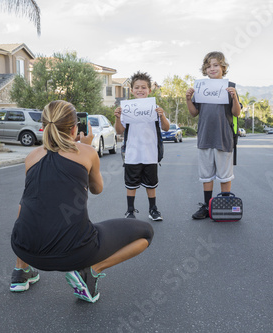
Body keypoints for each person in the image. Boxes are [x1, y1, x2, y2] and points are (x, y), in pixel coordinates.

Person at [9, 100, 154, 303]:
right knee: (146, 233)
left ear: (44, 126)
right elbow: (97, 189)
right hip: (74, 253)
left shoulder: (32, 157)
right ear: (74, 128)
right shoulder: (86, 152)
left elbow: (27, 204)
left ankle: (20, 272)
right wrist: (85, 148)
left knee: (28, 203)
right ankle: (91, 272)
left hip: (24, 247)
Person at [186, 51, 242, 219]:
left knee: (224, 175)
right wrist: (188, 99)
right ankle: (207, 206)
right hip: (204, 137)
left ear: (223, 68)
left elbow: (236, 113)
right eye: (208, 66)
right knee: (206, 175)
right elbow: (194, 113)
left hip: (224, 137)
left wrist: (234, 97)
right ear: (205, 69)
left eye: (216, 65)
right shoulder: (201, 88)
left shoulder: (229, 87)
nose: (212, 68)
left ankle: (224, 205)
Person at [114, 71, 170, 221]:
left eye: (143, 87)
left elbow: (166, 128)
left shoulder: (155, 107)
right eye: (137, 87)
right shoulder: (127, 108)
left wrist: (162, 115)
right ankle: (130, 211)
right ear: (131, 90)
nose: (140, 90)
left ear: (149, 90)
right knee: (131, 185)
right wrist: (118, 118)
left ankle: (153, 210)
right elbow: (119, 131)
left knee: (151, 185)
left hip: (150, 154)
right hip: (132, 154)